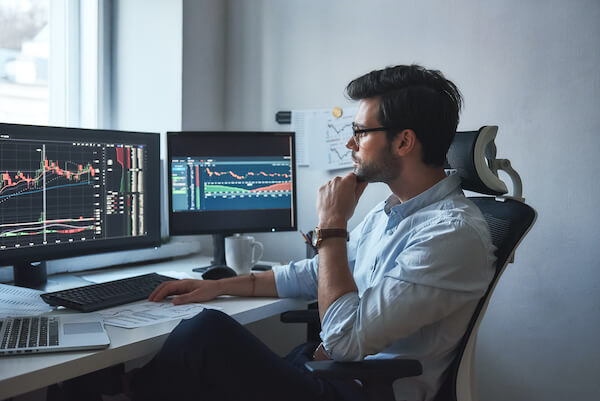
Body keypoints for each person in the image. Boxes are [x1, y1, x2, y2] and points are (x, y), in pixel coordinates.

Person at [131, 65, 496, 401]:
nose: (350, 145)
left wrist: (332, 228)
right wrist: (220, 286)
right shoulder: (393, 212)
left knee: (206, 335)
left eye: (360, 132)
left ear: (403, 142)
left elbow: (343, 341)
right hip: (334, 372)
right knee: (203, 361)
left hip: (359, 389)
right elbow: (315, 274)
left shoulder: (450, 233)